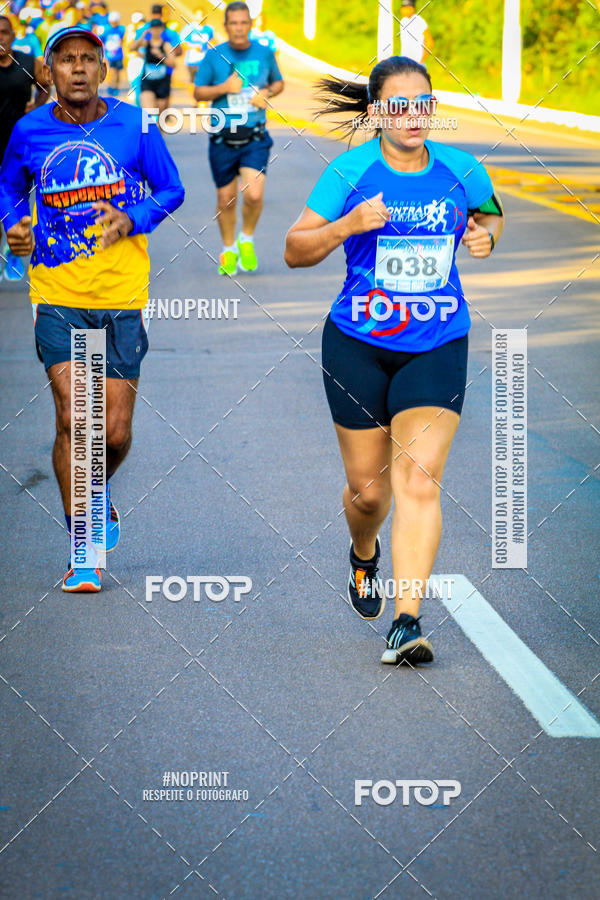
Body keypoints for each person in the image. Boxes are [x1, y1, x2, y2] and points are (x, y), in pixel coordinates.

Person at [284, 56, 503, 664]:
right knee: (369, 492)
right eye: (399, 104)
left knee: (418, 480)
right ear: (378, 111)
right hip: (357, 344)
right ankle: (362, 554)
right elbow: (294, 249)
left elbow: (490, 213)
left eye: (423, 103)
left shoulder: (462, 168)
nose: (413, 115)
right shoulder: (350, 171)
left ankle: (407, 621)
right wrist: (348, 224)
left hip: (436, 342)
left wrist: (485, 235)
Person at [0, 25, 185, 591]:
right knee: (72, 417)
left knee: (116, 432)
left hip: (123, 295)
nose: (77, 68)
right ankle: (83, 547)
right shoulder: (28, 129)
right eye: (65, 59)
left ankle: (95, 491)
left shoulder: (135, 124)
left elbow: (170, 188)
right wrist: (14, 228)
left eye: (88, 59)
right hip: (57, 294)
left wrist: (134, 218)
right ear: (49, 72)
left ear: (104, 70)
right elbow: (9, 187)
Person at [193, 0, 284, 276]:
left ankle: (246, 239)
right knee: (226, 199)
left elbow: (279, 82)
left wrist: (268, 93)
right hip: (223, 138)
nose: (239, 28)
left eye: (244, 22)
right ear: (226, 26)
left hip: (254, 137)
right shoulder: (213, 56)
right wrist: (224, 87)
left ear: (251, 24)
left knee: (254, 194)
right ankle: (229, 248)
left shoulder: (265, 53)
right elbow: (198, 93)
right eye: (234, 23)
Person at [0, 13, 49, 281]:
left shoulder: (27, 62)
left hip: (19, 146)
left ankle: (14, 252)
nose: (0, 38)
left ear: (13, 36)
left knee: (16, 197)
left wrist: (36, 107)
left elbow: (45, 85)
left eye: (4, 32)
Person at [130, 17, 177, 123]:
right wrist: (142, 35)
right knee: (149, 114)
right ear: (150, 29)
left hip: (162, 82)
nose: (155, 31)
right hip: (148, 81)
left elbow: (173, 64)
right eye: (153, 28)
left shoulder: (166, 45)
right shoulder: (147, 43)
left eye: (158, 28)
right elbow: (131, 48)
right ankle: (150, 138)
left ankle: (159, 137)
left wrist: (161, 57)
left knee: (161, 118)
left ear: (161, 29)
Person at [180, 8, 213, 83]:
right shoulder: (189, 28)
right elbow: (183, 44)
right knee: (194, 84)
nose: (199, 18)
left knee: (204, 83)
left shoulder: (209, 29)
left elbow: (212, 42)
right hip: (192, 61)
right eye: (197, 16)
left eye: (201, 16)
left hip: (205, 61)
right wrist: (195, 47)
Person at [101, 9, 125, 96]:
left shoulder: (121, 29)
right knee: (111, 71)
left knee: (118, 72)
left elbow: (123, 39)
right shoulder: (106, 30)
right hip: (110, 55)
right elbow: (101, 40)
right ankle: (110, 86)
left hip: (118, 55)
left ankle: (116, 87)